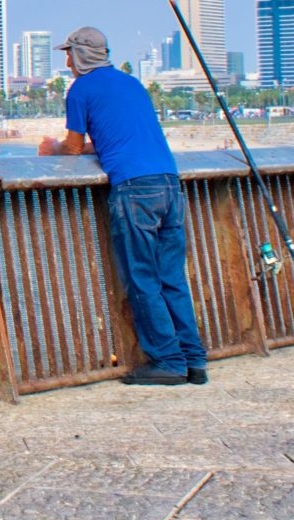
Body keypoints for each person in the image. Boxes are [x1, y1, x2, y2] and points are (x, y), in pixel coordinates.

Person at [37, 26, 206, 386]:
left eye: (68, 53)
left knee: (141, 277)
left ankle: (168, 361)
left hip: (134, 188)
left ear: (80, 55)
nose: (66, 61)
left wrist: (50, 149)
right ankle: (194, 359)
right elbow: (122, 138)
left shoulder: (80, 89)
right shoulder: (132, 83)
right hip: (168, 183)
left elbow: (72, 147)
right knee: (172, 277)